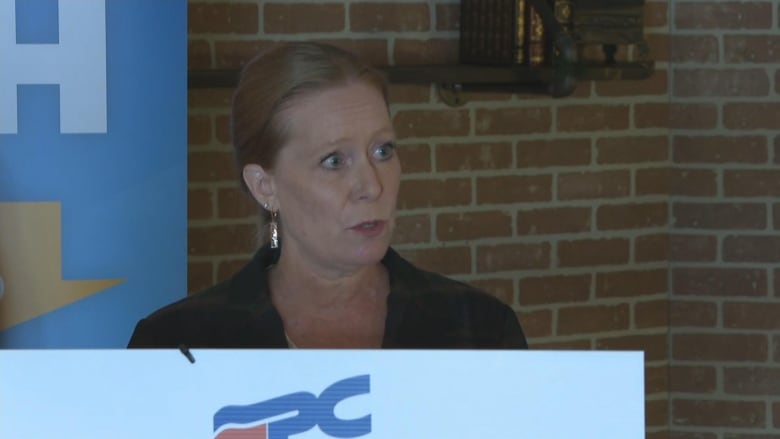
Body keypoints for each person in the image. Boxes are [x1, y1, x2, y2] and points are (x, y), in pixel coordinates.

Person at [127, 42, 527, 349]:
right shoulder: (176, 344)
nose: (372, 185)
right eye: (334, 160)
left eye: (382, 151)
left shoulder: (481, 331)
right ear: (265, 186)